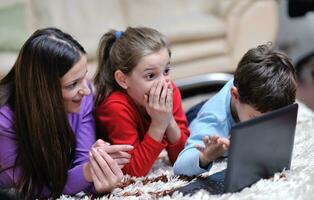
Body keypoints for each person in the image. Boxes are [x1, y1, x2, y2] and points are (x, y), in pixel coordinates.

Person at [0, 27, 133, 199]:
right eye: (73, 84)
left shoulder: (82, 98)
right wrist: (87, 172)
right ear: (43, 91)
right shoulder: (4, 120)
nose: (86, 90)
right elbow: (31, 189)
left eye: (84, 77)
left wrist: (97, 166)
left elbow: (82, 162)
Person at [173, 44, 297, 176]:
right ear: (235, 95)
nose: (264, 128)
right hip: (194, 114)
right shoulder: (214, 121)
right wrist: (206, 157)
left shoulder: (255, 90)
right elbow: (179, 167)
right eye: (255, 118)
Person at [94, 27, 190, 177]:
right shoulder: (114, 107)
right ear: (123, 79)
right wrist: (158, 124)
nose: (164, 83)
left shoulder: (170, 90)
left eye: (166, 71)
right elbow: (132, 172)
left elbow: (185, 158)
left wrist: (169, 120)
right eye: (151, 76)